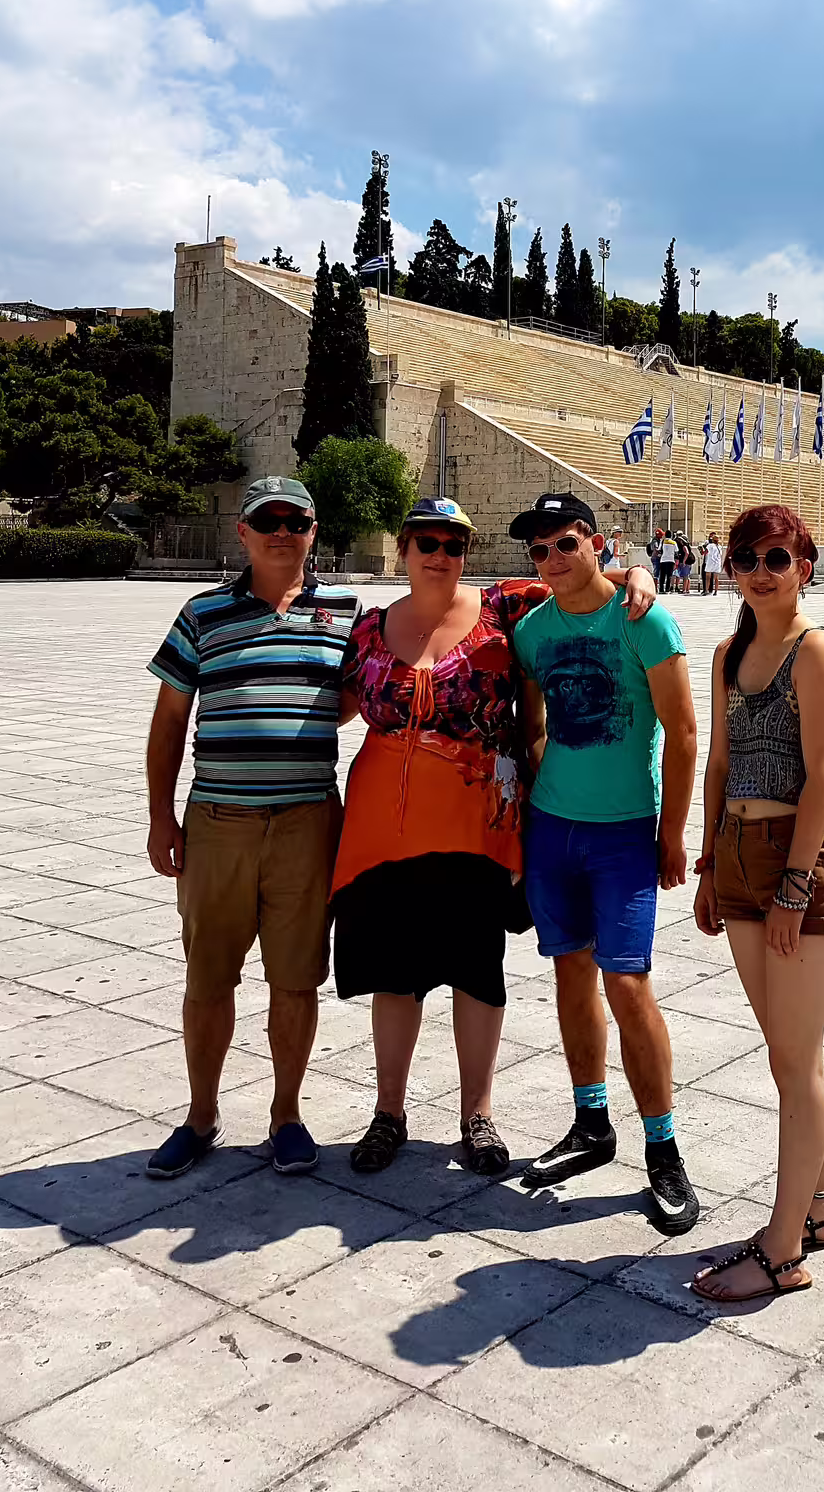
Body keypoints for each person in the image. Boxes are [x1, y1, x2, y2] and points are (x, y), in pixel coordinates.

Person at [333, 499, 657, 1176]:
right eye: (425, 541)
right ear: (402, 549)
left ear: (466, 553)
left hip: (477, 823)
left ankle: (477, 1115)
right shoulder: (367, 628)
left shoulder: (503, 607)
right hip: (381, 827)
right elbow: (327, 706)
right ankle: (388, 1112)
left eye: (452, 543)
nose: (439, 554)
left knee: (475, 971)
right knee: (395, 976)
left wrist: (642, 570)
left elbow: (587, 577)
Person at [143, 477, 359, 1179]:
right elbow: (170, 721)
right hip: (217, 822)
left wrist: (626, 576)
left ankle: (286, 1115)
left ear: (314, 530)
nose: (280, 531)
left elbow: (404, 657)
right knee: (209, 977)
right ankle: (201, 1116)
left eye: (294, 520)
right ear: (242, 532)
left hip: (305, 821)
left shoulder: (347, 613)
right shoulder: (202, 614)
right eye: (265, 520)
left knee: (295, 978)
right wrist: (159, 817)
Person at [509, 489, 702, 1236]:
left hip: (624, 831)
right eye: (539, 550)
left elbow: (683, 735)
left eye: (565, 543)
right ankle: (593, 1123)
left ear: (596, 541)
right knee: (569, 973)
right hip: (552, 827)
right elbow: (530, 725)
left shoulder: (644, 618)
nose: (552, 559)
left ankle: (663, 1146)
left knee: (627, 982)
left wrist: (673, 834)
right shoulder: (531, 630)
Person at [690, 504, 824, 1302]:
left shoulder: (814, 652)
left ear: (805, 567)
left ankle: (783, 1250)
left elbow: (821, 776)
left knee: (793, 1058)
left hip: (801, 864)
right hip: (739, 862)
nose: (760, 569)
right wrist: (710, 865)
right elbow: (718, 765)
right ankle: (822, 1207)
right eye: (746, 556)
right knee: (791, 1049)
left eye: (777, 557)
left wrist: (793, 886)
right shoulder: (728, 655)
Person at [658, 529, 678, 594]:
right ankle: (667, 589)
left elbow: (659, 549)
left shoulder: (662, 541)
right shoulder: (674, 542)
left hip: (663, 560)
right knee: (669, 576)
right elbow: (676, 551)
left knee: (662, 575)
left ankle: (661, 589)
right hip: (671, 560)